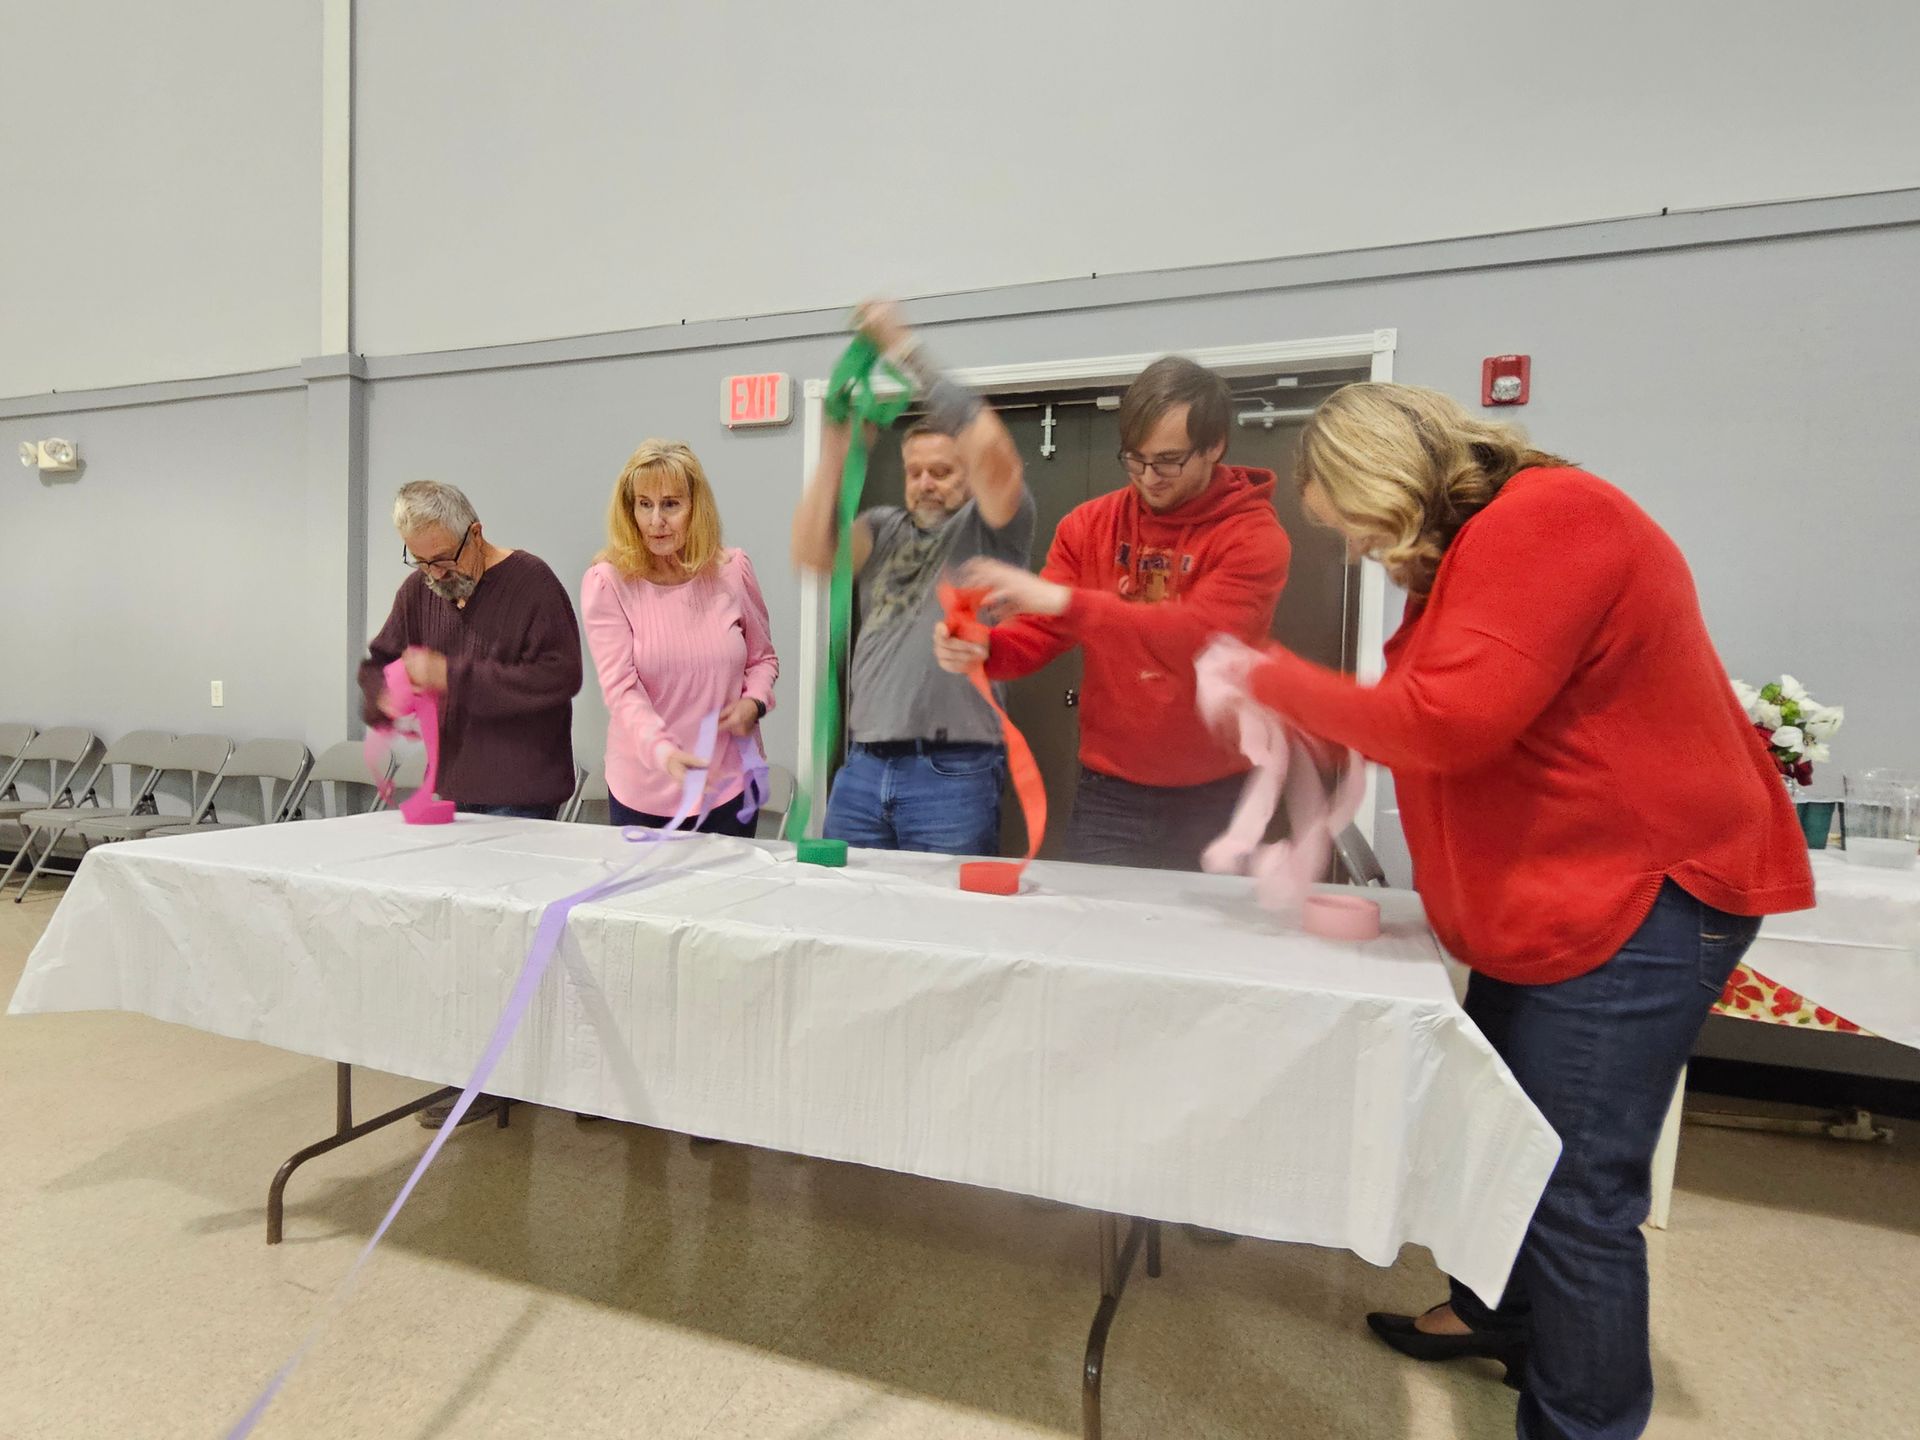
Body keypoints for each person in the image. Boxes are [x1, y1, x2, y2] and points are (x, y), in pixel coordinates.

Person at [1226, 383, 1814, 1439]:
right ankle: (1498, 1317)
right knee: (1501, 1138)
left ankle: (1581, 1420)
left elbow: (1443, 721)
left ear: (1389, 482)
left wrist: (1273, 681)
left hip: (1638, 899)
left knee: (1573, 1189)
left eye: (1352, 524)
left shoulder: (1551, 519)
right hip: (1555, 906)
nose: (1356, 549)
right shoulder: (1476, 555)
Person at [934, 355, 1291, 870]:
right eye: (1135, 459)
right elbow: (1043, 629)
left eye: (1168, 460)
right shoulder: (1089, 525)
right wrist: (985, 649)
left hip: (1218, 796)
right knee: (1096, 919)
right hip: (1111, 796)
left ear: (1214, 446)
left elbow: (1200, 637)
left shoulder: (1253, 536)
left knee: (1205, 926)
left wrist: (1066, 601)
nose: (1149, 477)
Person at [361, 479, 585, 1130]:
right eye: (419, 560)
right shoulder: (419, 592)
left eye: (443, 559)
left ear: (476, 535)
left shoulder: (532, 582)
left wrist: (452, 678)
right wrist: (383, 696)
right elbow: (379, 662)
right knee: (464, 942)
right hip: (453, 797)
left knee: (508, 945)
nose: (434, 575)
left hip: (522, 795)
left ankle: (505, 1076)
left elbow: (559, 677)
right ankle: (479, 1074)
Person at [791, 302, 1034, 856]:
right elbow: (810, 553)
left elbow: (994, 454)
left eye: (942, 472)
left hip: (954, 772)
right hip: (863, 768)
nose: (925, 483)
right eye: (914, 471)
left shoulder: (996, 527)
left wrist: (904, 349)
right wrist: (836, 451)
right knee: (843, 904)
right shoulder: (882, 528)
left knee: (942, 909)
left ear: (969, 478)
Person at [582, 440, 777, 835]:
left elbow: (762, 660)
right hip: (646, 789)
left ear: (695, 507)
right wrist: (665, 752)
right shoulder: (608, 582)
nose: (656, 520)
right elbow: (622, 690)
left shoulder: (732, 569)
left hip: (729, 785)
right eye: (644, 505)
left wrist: (753, 703)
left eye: (670, 504)